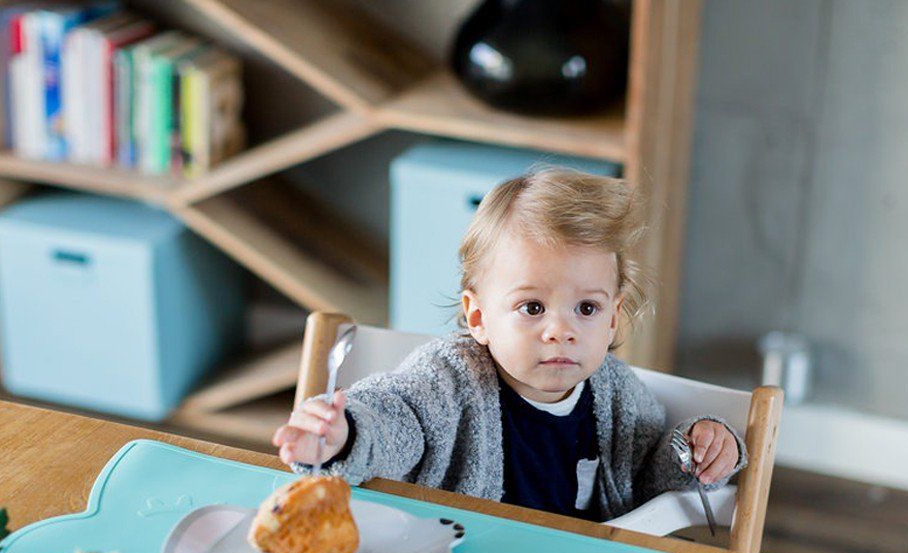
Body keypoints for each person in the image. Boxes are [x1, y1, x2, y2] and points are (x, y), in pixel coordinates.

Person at [272, 168, 746, 522]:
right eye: (533, 308)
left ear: (613, 317)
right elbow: (396, 418)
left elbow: (646, 484)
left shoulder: (618, 395)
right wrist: (347, 433)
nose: (561, 331)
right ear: (478, 316)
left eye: (586, 309)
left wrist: (695, 452)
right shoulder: (450, 379)